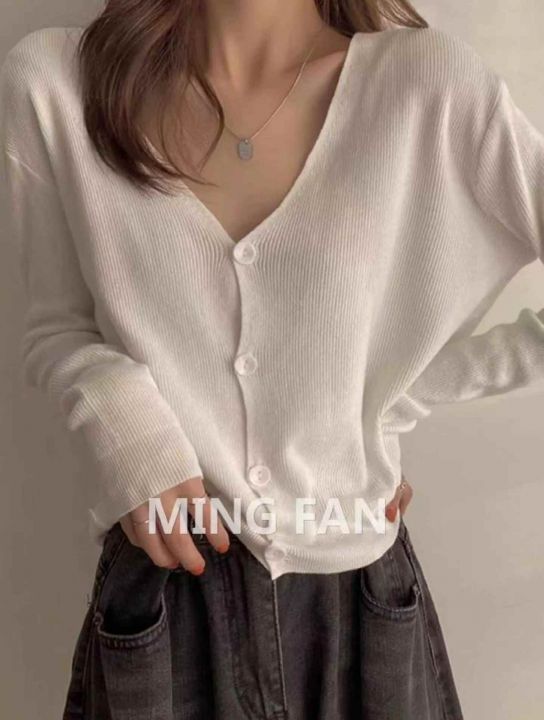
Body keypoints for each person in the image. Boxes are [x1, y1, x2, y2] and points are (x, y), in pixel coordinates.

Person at [1, 1, 543, 718]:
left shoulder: (423, 84)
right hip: (164, 599)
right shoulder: (57, 85)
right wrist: (123, 419)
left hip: (357, 602)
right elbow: (57, 325)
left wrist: (389, 399)